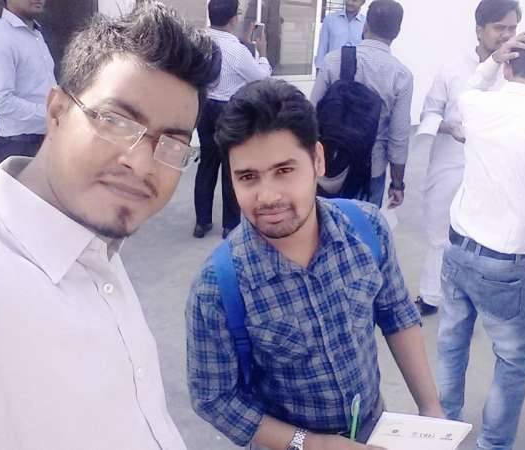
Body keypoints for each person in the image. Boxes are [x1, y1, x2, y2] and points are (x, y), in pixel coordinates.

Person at [0, 2, 221, 449]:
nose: (141, 163)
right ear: (56, 112)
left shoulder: (97, 248)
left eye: (171, 143)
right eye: (117, 121)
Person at [186, 78, 443, 450]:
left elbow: (396, 314)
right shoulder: (218, 287)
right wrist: (316, 445)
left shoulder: (367, 229)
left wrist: (430, 408)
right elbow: (214, 398)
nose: (267, 196)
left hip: (375, 429)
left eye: (284, 171)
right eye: (248, 177)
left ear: (318, 160)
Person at [437, 32, 525, 450]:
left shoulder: (478, 105)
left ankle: (443, 425)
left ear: (509, 68)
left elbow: (469, 86)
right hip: (503, 264)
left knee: (451, 342)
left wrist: (492, 59)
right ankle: (493, 444)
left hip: (457, 248)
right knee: (513, 360)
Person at [415, 0, 521, 316]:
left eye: (512, 28)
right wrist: (449, 127)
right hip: (449, 163)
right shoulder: (452, 68)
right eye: (499, 27)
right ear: (479, 30)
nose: (507, 35)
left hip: (495, 169)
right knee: (439, 234)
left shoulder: (517, 73)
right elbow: (429, 113)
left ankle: (472, 303)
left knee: (485, 239)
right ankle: (430, 296)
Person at [311, 0, 412, 209]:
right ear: (397, 33)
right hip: (371, 169)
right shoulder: (401, 76)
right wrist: (397, 184)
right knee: (363, 225)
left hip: (329, 163)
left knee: (323, 221)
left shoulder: (333, 61)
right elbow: (399, 137)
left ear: (366, 26)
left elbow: (310, 116)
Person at [193, 0, 272, 239]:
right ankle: (230, 225)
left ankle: (202, 222)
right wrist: (263, 53)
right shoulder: (237, 51)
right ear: (233, 19)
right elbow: (260, 78)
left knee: (207, 164)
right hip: (228, 111)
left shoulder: (198, 41)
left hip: (204, 107)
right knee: (231, 168)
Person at [0, 0, 56, 161]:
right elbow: (1, 101)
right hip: (21, 144)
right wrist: (50, 113)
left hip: (47, 138)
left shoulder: (36, 34)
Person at [314, 0, 366, 70]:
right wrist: (319, 68)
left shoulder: (366, 24)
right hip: (332, 70)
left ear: (363, 2)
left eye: (354, 0)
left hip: (357, 71)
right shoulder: (330, 19)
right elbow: (322, 47)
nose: (349, 3)